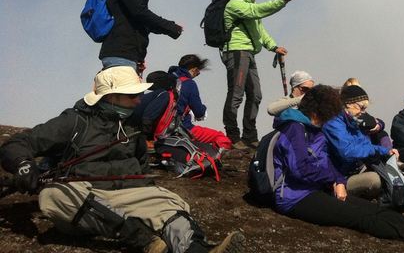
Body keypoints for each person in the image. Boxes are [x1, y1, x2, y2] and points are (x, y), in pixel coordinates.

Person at [0, 66, 244, 253]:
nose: (139, 101)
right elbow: (17, 143)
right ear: (111, 96)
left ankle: (195, 249)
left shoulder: (133, 125)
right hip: (86, 198)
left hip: (128, 193)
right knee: (53, 195)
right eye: (131, 95)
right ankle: (143, 239)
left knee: (171, 201)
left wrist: (151, 196)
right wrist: (23, 165)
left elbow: (142, 169)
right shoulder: (74, 121)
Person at [272, 85, 404, 244]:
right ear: (321, 110)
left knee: (370, 208)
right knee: (359, 216)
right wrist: (333, 179)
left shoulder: (314, 130)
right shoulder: (295, 129)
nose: (333, 115)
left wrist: (339, 180)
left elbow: (324, 162)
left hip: (314, 189)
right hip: (295, 197)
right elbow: (300, 169)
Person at [220, 0, 299, 151]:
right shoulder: (235, 3)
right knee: (236, 93)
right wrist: (282, 1)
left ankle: (250, 135)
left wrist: (273, 47)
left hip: (248, 52)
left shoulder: (249, 5)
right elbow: (257, 13)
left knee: (255, 94)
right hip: (237, 51)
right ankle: (232, 136)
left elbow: (259, 30)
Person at [322, 85, 398, 199]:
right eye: (361, 107)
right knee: (374, 180)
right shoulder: (333, 123)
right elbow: (347, 152)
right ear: (348, 104)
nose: (363, 112)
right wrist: (373, 151)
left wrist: (387, 151)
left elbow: (365, 145)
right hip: (337, 177)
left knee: (384, 173)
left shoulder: (351, 122)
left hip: (349, 171)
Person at [170, 54, 232, 151]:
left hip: (164, 127)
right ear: (194, 69)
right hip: (183, 127)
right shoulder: (189, 83)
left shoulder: (170, 79)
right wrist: (203, 108)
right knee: (220, 137)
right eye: (198, 72)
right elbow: (199, 112)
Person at [340, 78, 392, 148]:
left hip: (362, 143)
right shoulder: (341, 111)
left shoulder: (358, 110)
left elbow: (370, 119)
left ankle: (390, 154)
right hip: (355, 147)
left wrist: (379, 124)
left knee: (381, 133)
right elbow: (369, 121)